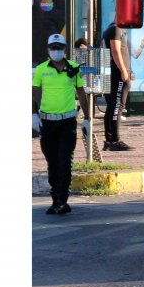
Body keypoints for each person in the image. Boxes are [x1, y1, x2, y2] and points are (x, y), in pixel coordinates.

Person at [32, 34, 91, 215]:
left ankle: (62, 201)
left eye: (59, 47)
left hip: (67, 122)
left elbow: (81, 93)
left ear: (65, 49)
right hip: (47, 122)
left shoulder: (73, 68)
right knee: (52, 162)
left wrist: (87, 118)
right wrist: (33, 114)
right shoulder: (41, 69)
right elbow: (31, 92)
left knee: (65, 161)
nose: (56, 51)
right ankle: (55, 199)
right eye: (53, 48)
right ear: (48, 50)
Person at [101, 21, 135, 151]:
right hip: (117, 74)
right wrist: (123, 71)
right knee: (117, 106)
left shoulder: (110, 29)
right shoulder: (116, 29)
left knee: (112, 106)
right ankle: (115, 140)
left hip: (114, 74)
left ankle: (109, 140)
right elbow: (115, 51)